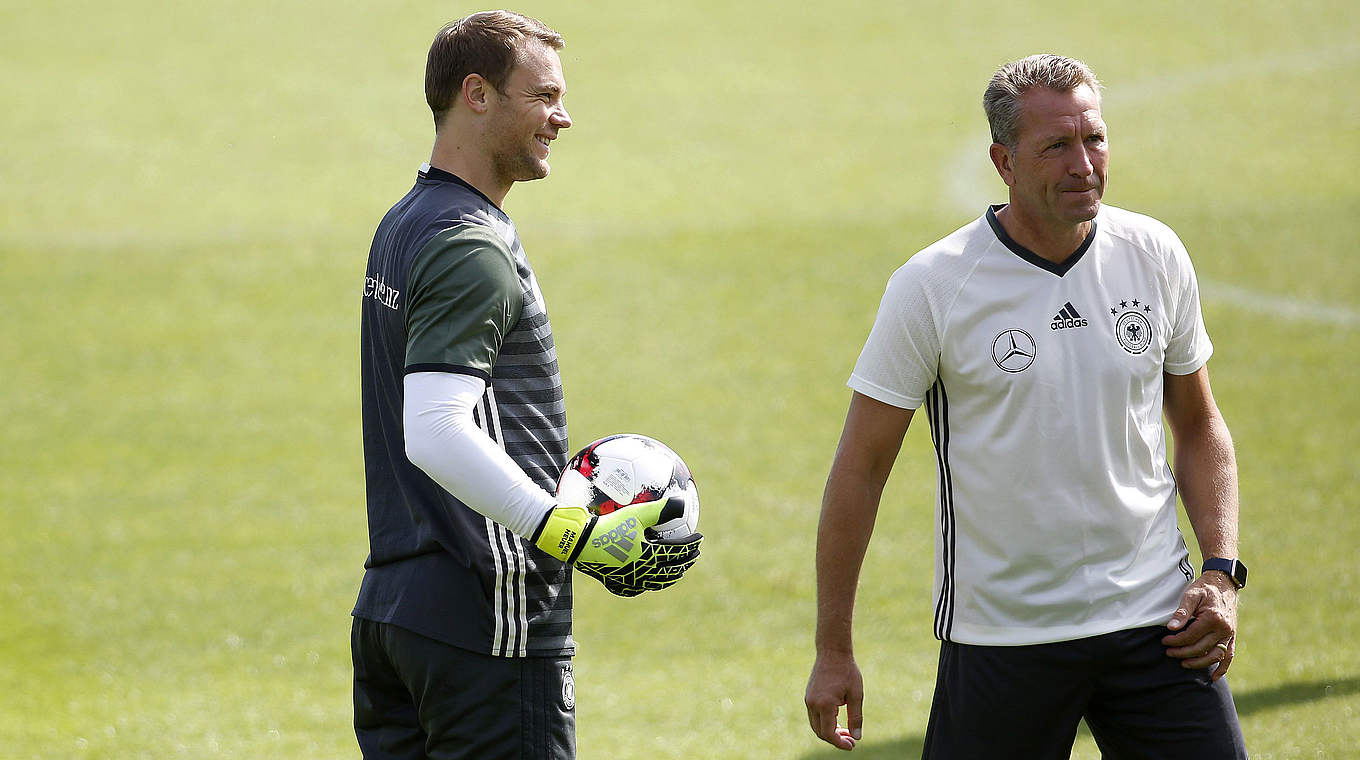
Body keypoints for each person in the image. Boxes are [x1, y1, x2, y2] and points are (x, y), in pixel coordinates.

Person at [804, 54, 1247, 758]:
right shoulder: (934, 286)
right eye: (1057, 146)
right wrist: (834, 650)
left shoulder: (1154, 254)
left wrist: (1221, 572)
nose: (1084, 163)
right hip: (1004, 637)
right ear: (1004, 161)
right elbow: (860, 468)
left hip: (1159, 625)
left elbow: (1198, 423)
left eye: (1094, 138)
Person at [352, 12, 701, 759]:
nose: (562, 117)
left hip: (398, 611)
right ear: (476, 94)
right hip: (487, 621)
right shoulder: (470, 246)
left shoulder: (408, 221)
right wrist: (559, 527)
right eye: (543, 96)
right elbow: (436, 428)